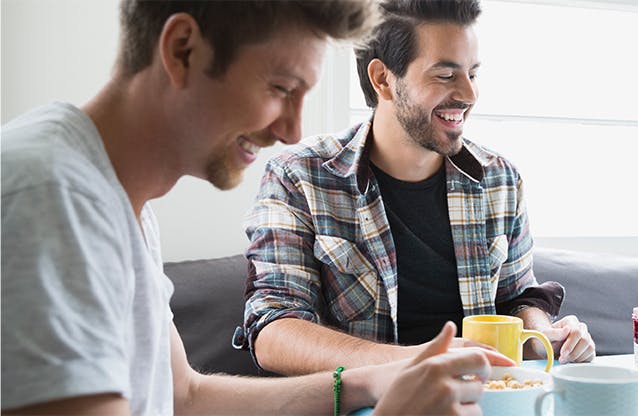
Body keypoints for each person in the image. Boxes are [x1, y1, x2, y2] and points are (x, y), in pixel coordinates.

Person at [0, 1, 513, 415]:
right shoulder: (50, 198)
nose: (290, 130)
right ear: (182, 50)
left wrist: (373, 380)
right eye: (281, 89)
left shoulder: (113, 196)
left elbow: (186, 397)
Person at [242, 0, 596, 377]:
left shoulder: (501, 180)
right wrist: (419, 360)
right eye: (445, 76)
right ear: (383, 80)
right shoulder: (299, 176)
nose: (469, 94)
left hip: (482, 400)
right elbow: (274, 332)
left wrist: (544, 333)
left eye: (472, 74)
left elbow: (515, 298)